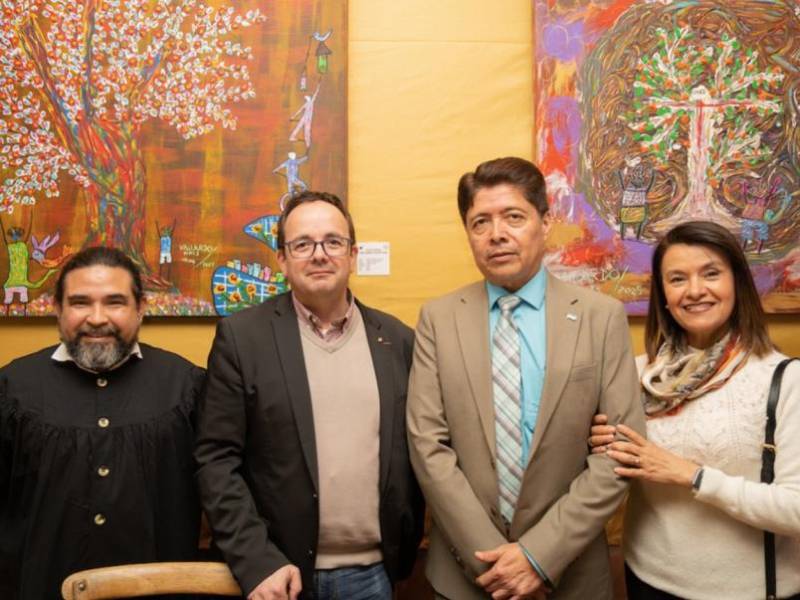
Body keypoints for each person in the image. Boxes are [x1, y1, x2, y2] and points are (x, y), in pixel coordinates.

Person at [407, 156, 646, 600]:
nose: (496, 234)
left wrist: (539, 556)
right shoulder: (438, 319)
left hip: (572, 575)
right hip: (467, 575)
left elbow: (620, 453)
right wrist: (500, 565)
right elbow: (427, 447)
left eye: (513, 217)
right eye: (480, 222)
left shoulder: (600, 318)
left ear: (545, 222)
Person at [195, 190, 424, 600]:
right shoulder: (242, 339)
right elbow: (216, 460)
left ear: (352, 255)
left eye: (333, 241)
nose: (319, 255)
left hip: (373, 575)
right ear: (282, 259)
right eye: (302, 244)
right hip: (277, 575)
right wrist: (257, 560)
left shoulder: (398, 340)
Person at [589, 221, 800, 599]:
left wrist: (692, 476)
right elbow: (612, 476)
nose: (695, 290)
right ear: (663, 295)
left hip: (746, 590)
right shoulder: (637, 375)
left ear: (737, 283)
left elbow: (796, 510)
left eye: (711, 273)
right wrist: (601, 445)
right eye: (677, 279)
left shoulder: (784, 380)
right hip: (646, 579)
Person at [0, 246, 204, 600]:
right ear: (57, 308)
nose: (97, 318)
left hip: (161, 592)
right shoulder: (12, 389)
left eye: (115, 302)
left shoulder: (186, 387)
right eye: (80, 303)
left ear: (141, 308)